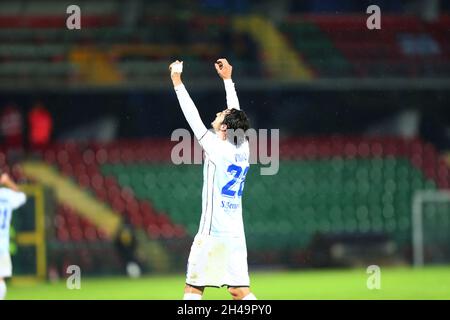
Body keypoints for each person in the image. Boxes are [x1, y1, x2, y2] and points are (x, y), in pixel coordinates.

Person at [169, 58, 257, 300]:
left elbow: (192, 116)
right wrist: (228, 80)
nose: (219, 113)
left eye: (223, 114)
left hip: (213, 233)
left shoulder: (217, 149)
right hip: (236, 233)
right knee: (239, 291)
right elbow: (235, 112)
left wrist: (177, 82)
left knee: (194, 288)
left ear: (226, 128)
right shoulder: (244, 148)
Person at [0, 172, 27, 300]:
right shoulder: (7, 194)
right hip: (3, 244)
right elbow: (22, 196)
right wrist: (8, 182)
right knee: (0, 279)